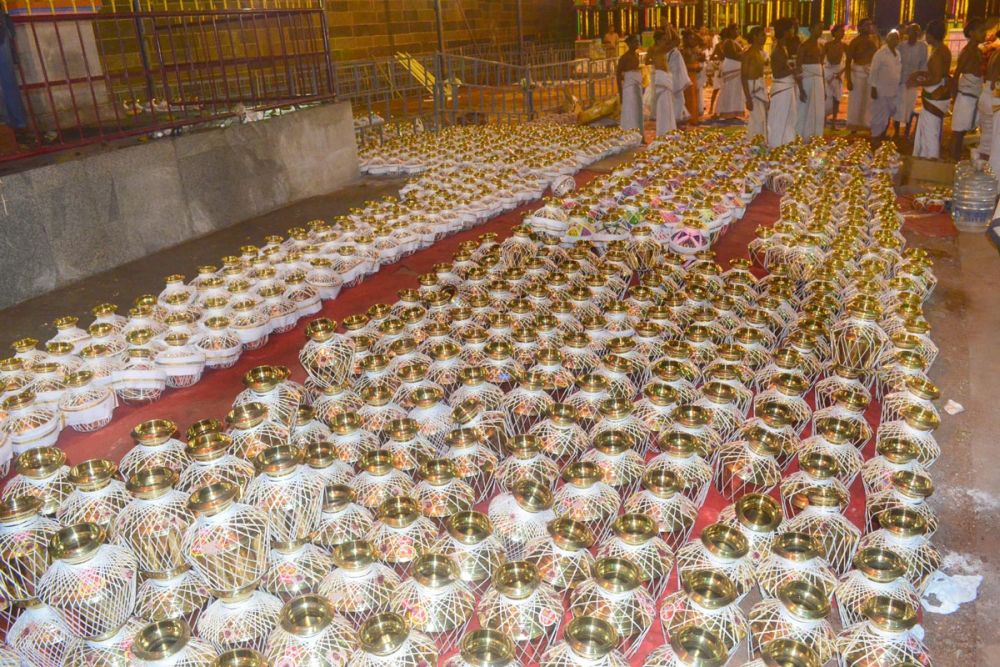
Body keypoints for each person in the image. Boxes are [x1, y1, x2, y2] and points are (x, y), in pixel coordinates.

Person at [911, 20, 952, 159]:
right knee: (929, 129)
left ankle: (931, 161)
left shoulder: (939, 53)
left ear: (930, 35)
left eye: (926, 34)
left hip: (935, 96)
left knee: (930, 132)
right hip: (938, 93)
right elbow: (937, 75)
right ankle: (925, 158)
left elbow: (936, 79)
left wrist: (917, 82)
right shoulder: (942, 49)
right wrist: (921, 74)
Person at [951, 18, 988, 161]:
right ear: (971, 33)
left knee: (964, 132)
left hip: (974, 97)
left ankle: (957, 162)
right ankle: (953, 163)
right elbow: (956, 75)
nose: (984, 33)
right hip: (965, 98)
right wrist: (955, 99)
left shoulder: (978, 51)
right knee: (958, 133)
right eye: (981, 31)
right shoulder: (967, 52)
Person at [768, 18, 800, 148]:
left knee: (790, 118)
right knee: (780, 119)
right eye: (791, 28)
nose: (794, 30)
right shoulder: (777, 50)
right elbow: (777, 73)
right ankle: (776, 146)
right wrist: (793, 70)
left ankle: (786, 144)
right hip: (782, 88)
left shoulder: (783, 47)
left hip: (787, 87)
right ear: (785, 31)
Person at [894, 23, 927, 140]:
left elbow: (923, 64)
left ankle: (906, 133)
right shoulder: (901, 46)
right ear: (908, 32)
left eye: (917, 32)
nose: (914, 34)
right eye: (912, 31)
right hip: (900, 81)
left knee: (909, 108)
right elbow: (896, 63)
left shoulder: (922, 47)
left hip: (913, 82)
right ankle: (896, 133)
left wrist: (918, 80)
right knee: (898, 107)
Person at [845, 18, 879, 132]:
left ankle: (867, 125)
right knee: (856, 100)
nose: (869, 27)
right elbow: (848, 62)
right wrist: (848, 80)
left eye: (870, 24)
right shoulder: (855, 42)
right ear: (860, 28)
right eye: (866, 25)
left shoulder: (874, 40)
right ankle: (854, 126)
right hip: (858, 73)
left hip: (870, 73)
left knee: (869, 100)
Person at [869, 29, 902, 145]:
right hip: (881, 90)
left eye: (896, 38)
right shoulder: (880, 53)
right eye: (892, 38)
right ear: (887, 39)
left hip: (893, 91)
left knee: (888, 115)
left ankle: (882, 136)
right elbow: (873, 71)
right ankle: (875, 138)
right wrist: (873, 88)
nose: (894, 40)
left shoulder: (897, 53)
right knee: (879, 115)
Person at [797, 21, 826, 140]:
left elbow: (821, 67)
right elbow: (798, 67)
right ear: (811, 29)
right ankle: (800, 136)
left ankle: (816, 136)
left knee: (818, 109)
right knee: (804, 109)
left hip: (818, 82)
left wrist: (824, 87)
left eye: (822, 28)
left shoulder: (821, 46)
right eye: (818, 28)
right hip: (807, 81)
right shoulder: (804, 46)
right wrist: (800, 88)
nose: (820, 31)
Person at [647, 30, 676, 135]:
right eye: (663, 39)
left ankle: (668, 127)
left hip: (664, 76)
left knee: (667, 103)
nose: (665, 41)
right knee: (663, 103)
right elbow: (676, 41)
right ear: (658, 40)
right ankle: (664, 129)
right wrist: (669, 27)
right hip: (660, 76)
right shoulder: (658, 50)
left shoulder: (661, 50)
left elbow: (675, 41)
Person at [742, 25, 768, 141]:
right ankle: (755, 142)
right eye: (762, 35)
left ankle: (757, 141)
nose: (765, 37)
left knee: (762, 118)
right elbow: (743, 76)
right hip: (753, 89)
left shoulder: (759, 53)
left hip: (760, 87)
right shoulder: (748, 54)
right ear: (754, 37)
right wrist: (748, 98)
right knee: (758, 118)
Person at [714, 25, 745, 119]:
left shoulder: (732, 41)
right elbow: (733, 55)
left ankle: (732, 112)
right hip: (731, 66)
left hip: (733, 66)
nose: (738, 31)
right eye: (736, 29)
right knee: (730, 90)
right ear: (731, 31)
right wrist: (745, 53)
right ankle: (727, 111)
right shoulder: (729, 42)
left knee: (734, 90)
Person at [616, 34, 643, 132]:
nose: (637, 43)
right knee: (630, 110)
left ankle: (638, 132)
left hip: (637, 86)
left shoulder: (637, 55)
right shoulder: (624, 57)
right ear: (630, 44)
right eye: (635, 42)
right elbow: (618, 74)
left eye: (638, 41)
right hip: (629, 87)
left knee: (637, 110)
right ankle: (629, 132)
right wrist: (620, 92)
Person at [667, 28, 692, 125]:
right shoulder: (669, 50)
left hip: (675, 76)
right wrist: (668, 27)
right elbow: (677, 39)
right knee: (678, 99)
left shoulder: (672, 50)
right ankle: (676, 119)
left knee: (679, 99)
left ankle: (678, 118)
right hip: (674, 77)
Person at [824, 24, 847, 125]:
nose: (842, 33)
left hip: (838, 72)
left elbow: (850, 61)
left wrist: (841, 72)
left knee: (836, 97)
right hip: (828, 71)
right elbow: (821, 58)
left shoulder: (844, 46)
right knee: (826, 95)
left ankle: (834, 119)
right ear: (834, 33)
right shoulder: (827, 45)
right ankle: (824, 118)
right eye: (840, 31)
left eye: (843, 32)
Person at [682, 30, 706, 124]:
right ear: (686, 40)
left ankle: (694, 118)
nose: (693, 40)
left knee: (695, 96)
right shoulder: (684, 50)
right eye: (690, 38)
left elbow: (703, 43)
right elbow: (683, 65)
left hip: (694, 74)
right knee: (689, 97)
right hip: (688, 74)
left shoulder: (694, 49)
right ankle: (690, 118)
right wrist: (694, 67)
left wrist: (694, 33)